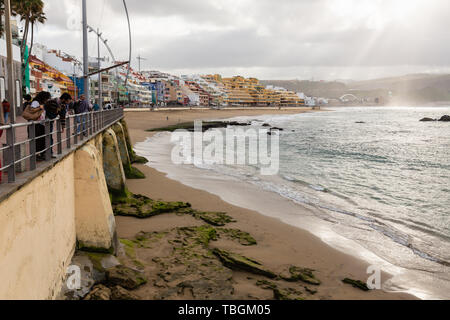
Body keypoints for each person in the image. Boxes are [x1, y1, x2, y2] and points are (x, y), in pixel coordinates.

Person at [29, 91, 51, 161]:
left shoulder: (42, 103)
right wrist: (40, 108)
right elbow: (32, 111)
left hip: (41, 124)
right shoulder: (35, 102)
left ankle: (41, 154)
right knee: (36, 140)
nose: (47, 100)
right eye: (46, 98)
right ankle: (36, 155)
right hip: (36, 124)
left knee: (41, 140)